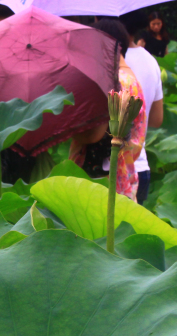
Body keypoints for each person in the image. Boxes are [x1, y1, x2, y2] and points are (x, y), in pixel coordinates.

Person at [70, 19, 147, 201]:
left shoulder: (111, 82)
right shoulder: (132, 80)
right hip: (125, 182)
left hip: (100, 190)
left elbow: (91, 135)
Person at [125, 39, 164, 202]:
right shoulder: (150, 60)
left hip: (109, 171)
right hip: (141, 166)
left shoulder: (106, 58)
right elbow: (156, 119)